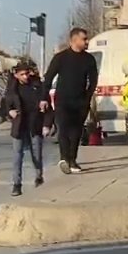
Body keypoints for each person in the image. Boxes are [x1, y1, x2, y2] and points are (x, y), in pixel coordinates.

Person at [42, 27, 99, 174]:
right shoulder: (61, 58)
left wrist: (87, 97)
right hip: (63, 100)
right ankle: (64, 159)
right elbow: (48, 78)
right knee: (63, 128)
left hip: (80, 102)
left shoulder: (89, 59)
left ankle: (73, 160)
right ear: (74, 40)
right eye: (84, 39)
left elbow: (93, 81)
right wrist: (44, 98)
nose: (87, 41)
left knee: (76, 132)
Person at [4, 63, 53, 197]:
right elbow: (6, 105)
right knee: (17, 156)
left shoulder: (38, 86)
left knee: (36, 155)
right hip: (19, 127)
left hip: (35, 126)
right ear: (16, 75)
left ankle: (39, 177)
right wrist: (10, 112)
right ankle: (17, 184)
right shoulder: (12, 88)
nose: (25, 76)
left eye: (27, 73)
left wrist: (47, 125)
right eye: (22, 74)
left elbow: (48, 108)